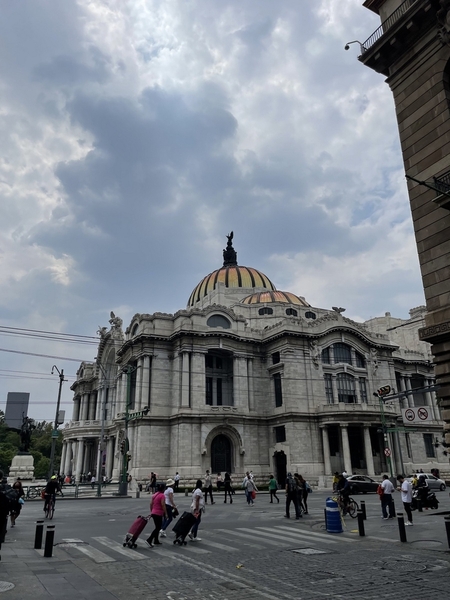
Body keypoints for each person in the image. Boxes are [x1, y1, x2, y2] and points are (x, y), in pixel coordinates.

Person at [145, 483, 167, 547]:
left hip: (154, 512)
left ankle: (156, 540)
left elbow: (151, 504)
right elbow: (163, 505)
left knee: (157, 526)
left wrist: (152, 511)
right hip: (159, 513)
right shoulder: (162, 495)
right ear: (163, 489)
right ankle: (149, 539)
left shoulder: (154, 495)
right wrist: (166, 513)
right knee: (158, 527)